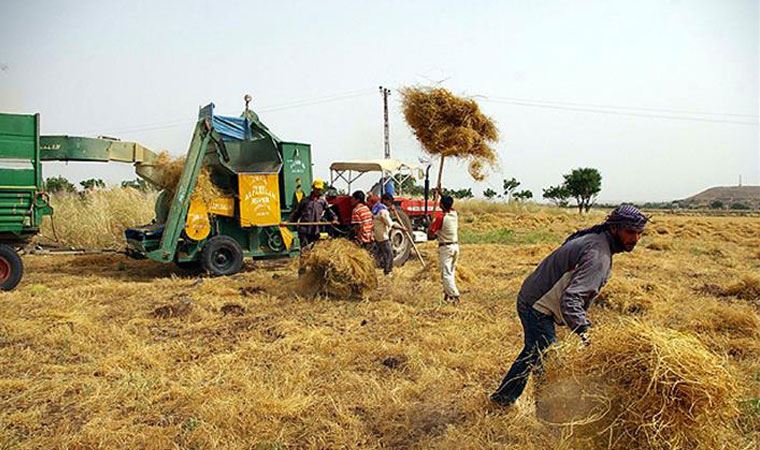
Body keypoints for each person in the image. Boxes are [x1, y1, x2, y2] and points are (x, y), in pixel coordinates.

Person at [489, 204, 649, 407]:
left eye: (639, 233)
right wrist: (586, 332)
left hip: (532, 296)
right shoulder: (598, 255)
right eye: (630, 232)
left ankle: (502, 399)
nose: (635, 239)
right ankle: (547, 414)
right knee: (548, 362)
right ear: (614, 228)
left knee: (533, 352)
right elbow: (571, 299)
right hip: (537, 306)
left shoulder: (597, 240)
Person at [428, 195, 460, 303]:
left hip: (446, 248)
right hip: (455, 246)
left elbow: (430, 235)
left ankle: (454, 295)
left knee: (446, 273)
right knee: (451, 272)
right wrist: (440, 193)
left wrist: (431, 224)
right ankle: (447, 295)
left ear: (441, 204)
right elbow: (448, 204)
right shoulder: (454, 214)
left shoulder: (441, 218)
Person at [289, 178, 337, 249]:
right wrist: (289, 222)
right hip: (304, 229)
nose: (318, 191)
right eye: (316, 189)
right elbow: (297, 212)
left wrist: (334, 219)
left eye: (319, 189)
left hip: (316, 230)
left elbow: (329, 211)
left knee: (314, 250)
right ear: (313, 188)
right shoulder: (305, 200)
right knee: (304, 250)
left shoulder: (322, 201)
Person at [372, 193, 403, 276]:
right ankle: (388, 272)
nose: (390, 204)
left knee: (379, 254)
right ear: (385, 201)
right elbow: (391, 224)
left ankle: (375, 268)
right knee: (389, 254)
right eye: (389, 202)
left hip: (376, 234)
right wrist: (402, 228)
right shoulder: (383, 211)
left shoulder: (376, 207)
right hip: (383, 236)